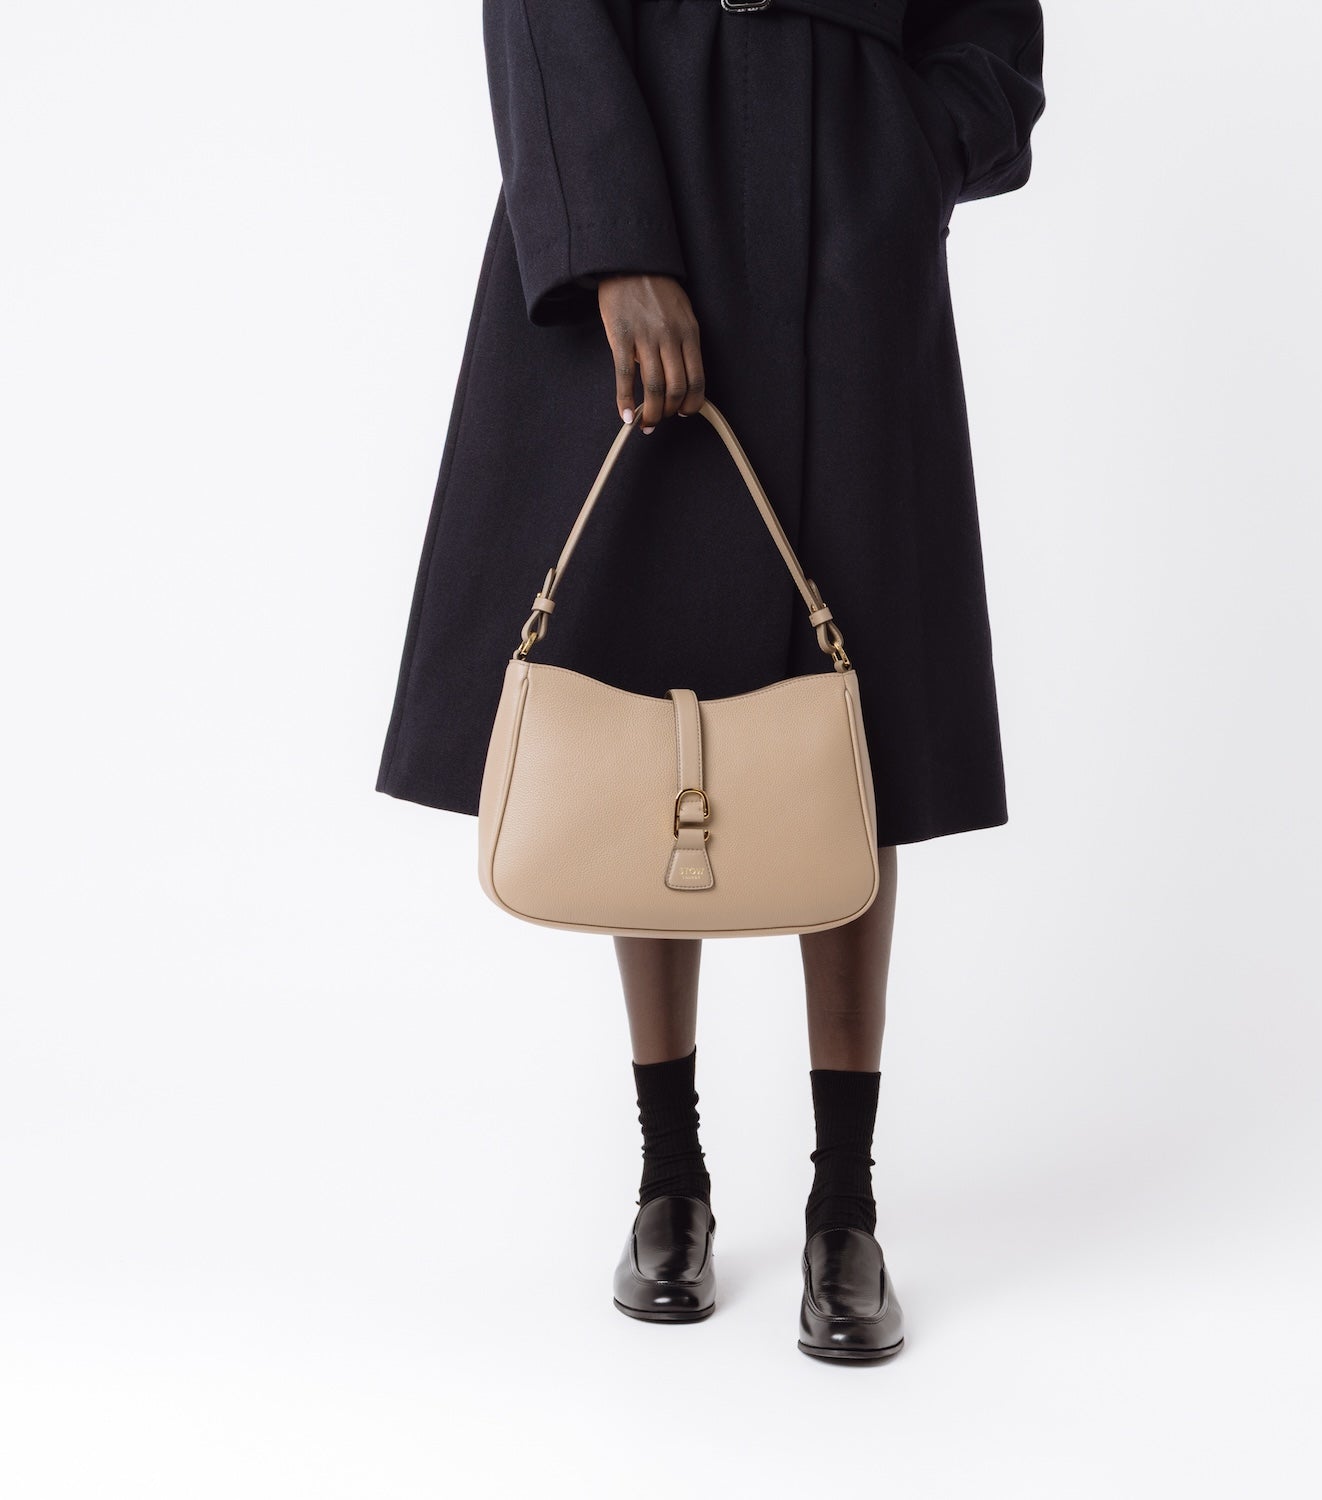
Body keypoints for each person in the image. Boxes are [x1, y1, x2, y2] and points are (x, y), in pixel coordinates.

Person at [377, 0, 1045, 1361]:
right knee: (645, 700)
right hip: (650, 191)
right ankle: (668, 1179)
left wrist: (902, 150)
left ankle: (844, 1207)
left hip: (850, 243)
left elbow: (992, 38)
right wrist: (613, 241)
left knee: (848, 730)